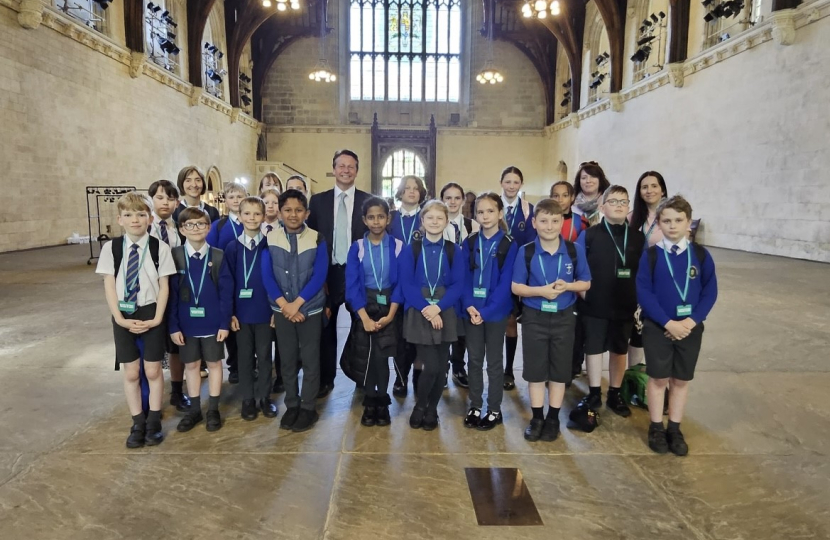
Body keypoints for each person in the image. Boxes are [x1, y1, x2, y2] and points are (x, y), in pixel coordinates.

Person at [636, 196, 718, 456]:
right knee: (658, 377)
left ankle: (675, 427)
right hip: (659, 327)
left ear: (688, 223)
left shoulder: (701, 256)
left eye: (678, 220)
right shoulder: (651, 256)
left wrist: (692, 321)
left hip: (690, 328)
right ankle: (657, 426)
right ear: (658, 223)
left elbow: (710, 292)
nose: (672, 226)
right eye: (666, 220)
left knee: (681, 379)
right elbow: (644, 292)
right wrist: (668, 322)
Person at [96, 192, 176, 448]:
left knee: (153, 370)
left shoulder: (159, 248)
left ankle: (153, 421)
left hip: (151, 312)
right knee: (131, 372)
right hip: (124, 314)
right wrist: (119, 318)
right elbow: (109, 285)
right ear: (119, 219)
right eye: (129, 215)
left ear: (150, 218)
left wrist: (157, 318)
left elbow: (164, 286)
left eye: (141, 214)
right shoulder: (111, 248)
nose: (135, 220)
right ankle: (137, 422)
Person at [511, 199, 591, 442]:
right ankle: (537, 417)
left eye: (554, 221)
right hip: (534, 317)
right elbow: (517, 287)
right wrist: (541, 292)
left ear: (562, 223)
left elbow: (586, 282)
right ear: (534, 223)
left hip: (564, 317)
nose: (549, 226)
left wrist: (568, 286)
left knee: (559, 371)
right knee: (535, 371)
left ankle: (553, 417)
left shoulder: (574, 250)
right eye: (543, 221)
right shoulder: (526, 251)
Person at [575, 186, 645, 421]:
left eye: (623, 202)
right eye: (612, 201)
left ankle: (615, 392)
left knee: (619, 349)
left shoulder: (637, 236)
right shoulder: (590, 234)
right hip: (595, 302)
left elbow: (643, 271)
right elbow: (579, 266)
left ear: (629, 208)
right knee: (593, 348)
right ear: (602, 207)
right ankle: (594, 391)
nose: (618, 205)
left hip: (625, 303)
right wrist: (585, 295)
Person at [262, 190, 329, 432]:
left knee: (311, 360)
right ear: (279, 213)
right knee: (287, 359)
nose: (293, 214)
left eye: (298, 210)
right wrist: (284, 305)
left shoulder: (317, 238)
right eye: (288, 210)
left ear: (307, 213)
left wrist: (297, 304)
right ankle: (292, 405)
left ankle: (308, 407)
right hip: (282, 311)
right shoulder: (269, 239)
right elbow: (267, 276)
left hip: (309, 309)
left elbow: (320, 274)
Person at [307, 150, 371, 398]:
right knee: (325, 326)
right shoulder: (318, 202)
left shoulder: (368, 201)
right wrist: (317, 276)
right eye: (341, 166)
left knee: (361, 325)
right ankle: (326, 379)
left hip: (357, 273)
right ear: (333, 169)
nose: (346, 170)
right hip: (328, 273)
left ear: (357, 170)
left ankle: (361, 377)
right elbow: (312, 240)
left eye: (351, 166)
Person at [399, 200, 465, 431]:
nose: (435, 222)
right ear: (423, 221)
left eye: (439, 218)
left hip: (445, 310)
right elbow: (406, 285)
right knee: (432, 366)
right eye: (430, 218)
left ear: (447, 221)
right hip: (420, 311)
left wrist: (438, 307)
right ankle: (420, 406)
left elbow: (458, 284)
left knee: (440, 367)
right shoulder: (411, 249)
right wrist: (427, 308)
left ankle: (431, 409)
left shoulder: (454, 250)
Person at [168, 207, 232, 433]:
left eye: (201, 224)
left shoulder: (218, 255)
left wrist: (224, 323)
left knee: (214, 364)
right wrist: (173, 326)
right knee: (192, 365)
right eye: (190, 225)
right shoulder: (175, 256)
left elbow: (226, 293)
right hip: (186, 325)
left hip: (214, 324)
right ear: (182, 229)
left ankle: (213, 408)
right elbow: (171, 295)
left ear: (208, 227)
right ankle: (195, 409)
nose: (196, 229)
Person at [344, 197, 404, 427]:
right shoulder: (357, 247)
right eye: (371, 217)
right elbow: (351, 284)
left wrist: (390, 315)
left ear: (388, 218)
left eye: (381, 216)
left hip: (390, 305)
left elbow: (401, 283)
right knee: (368, 357)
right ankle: (370, 401)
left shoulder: (398, 246)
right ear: (364, 220)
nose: (376, 221)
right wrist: (364, 317)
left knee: (383, 356)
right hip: (365, 307)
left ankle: (383, 401)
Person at [462, 193, 517, 430]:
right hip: (471, 311)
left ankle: (494, 409)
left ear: (500, 213)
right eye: (480, 212)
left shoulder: (509, 244)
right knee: (474, 360)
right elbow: (462, 277)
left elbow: (506, 284)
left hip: (495, 313)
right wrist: (469, 305)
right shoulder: (470, 242)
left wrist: (487, 311)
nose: (485, 216)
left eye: (490, 211)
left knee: (494, 362)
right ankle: (475, 405)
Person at [220, 196, 278, 421]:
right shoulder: (232, 248)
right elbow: (226, 283)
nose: (252, 218)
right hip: (241, 315)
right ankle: (247, 399)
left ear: (264, 217)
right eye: (247, 213)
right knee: (244, 357)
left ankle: (264, 397)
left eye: (257, 214)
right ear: (239, 216)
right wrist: (229, 314)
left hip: (265, 312)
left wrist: (276, 310)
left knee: (264, 356)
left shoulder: (270, 246)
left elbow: (276, 281)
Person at [147, 179, 189, 412]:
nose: (165, 202)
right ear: (152, 200)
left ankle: (176, 391)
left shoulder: (179, 228)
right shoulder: (146, 227)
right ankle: (150, 396)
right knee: (152, 348)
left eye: (170, 198)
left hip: (175, 292)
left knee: (175, 346)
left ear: (177, 202)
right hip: (151, 295)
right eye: (160, 197)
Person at [388, 175, 428, 398]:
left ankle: (419, 376)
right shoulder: (390, 218)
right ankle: (400, 377)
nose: (411, 192)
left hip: (420, 283)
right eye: (407, 188)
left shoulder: (427, 218)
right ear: (400, 192)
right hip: (395, 283)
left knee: (419, 334)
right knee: (400, 335)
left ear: (421, 193)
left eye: (416, 188)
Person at [500, 166, 536, 392]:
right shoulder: (493, 207)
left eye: (516, 182)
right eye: (508, 181)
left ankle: (509, 369)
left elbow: (531, 242)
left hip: (518, 271)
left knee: (512, 321)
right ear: (501, 183)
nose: (512, 186)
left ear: (521, 184)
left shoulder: (528, 210)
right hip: (496, 269)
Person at [628, 171, 669, 367]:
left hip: (662, 283)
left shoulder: (672, 217)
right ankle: (634, 378)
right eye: (644, 187)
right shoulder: (631, 218)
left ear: (662, 190)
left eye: (654, 186)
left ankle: (658, 378)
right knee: (637, 333)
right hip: (636, 282)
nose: (649, 190)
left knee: (659, 330)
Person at [441, 182, 479, 389]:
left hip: (466, 283)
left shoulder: (473, 225)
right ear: (442, 199)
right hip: (444, 284)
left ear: (463, 200)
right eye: (448, 198)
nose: (452, 202)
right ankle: (444, 366)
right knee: (446, 325)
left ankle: (458, 366)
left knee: (462, 329)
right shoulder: (438, 222)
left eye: (457, 198)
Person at [205, 182, 248, 250]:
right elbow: (210, 252)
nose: (235, 201)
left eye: (239, 197)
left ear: (246, 200)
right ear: (226, 202)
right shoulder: (216, 226)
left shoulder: (256, 223)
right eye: (231, 197)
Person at [572, 161, 610, 226]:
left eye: (592, 177)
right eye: (584, 178)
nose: (588, 181)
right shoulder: (571, 203)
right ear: (579, 181)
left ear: (600, 180)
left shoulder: (609, 202)